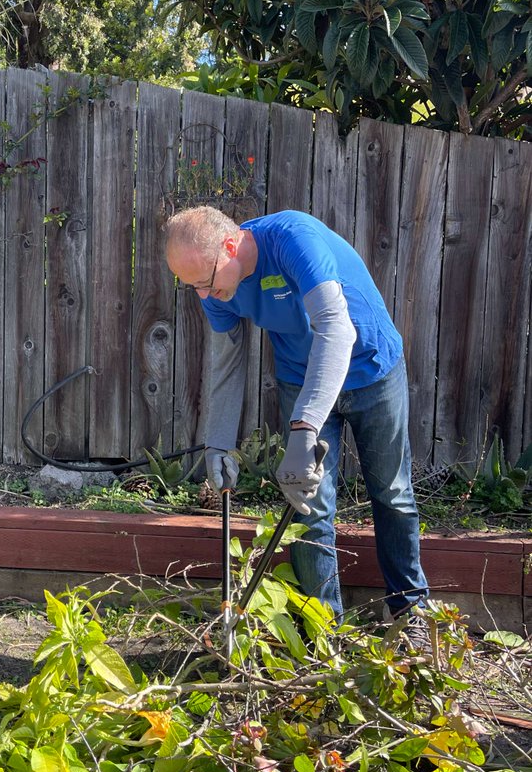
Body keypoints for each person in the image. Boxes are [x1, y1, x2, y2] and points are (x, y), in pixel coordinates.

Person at [164, 205, 429, 630]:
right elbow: (227, 361)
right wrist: (218, 440)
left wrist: (304, 428)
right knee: (308, 506)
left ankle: (409, 610)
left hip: (370, 368)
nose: (203, 295)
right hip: (300, 379)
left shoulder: (293, 241)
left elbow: (336, 330)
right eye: (191, 286)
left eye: (205, 282)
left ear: (230, 247)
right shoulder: (216, 285)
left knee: (392, 492)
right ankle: (326, 630)